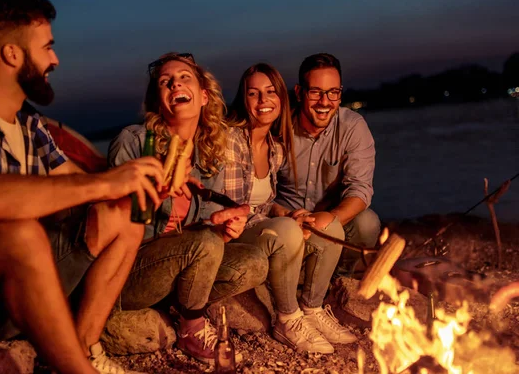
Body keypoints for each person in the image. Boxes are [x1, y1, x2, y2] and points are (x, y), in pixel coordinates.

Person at [0, 0, 158, 374]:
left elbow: (73, 181)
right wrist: (105, 183)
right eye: (47, 47)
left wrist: (133, 184)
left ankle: (82, 346)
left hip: (10, 297)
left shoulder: (28, 122)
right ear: (12, 54)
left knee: (123, 214)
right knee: (18, 234)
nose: (55, 59)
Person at [108, 53, 268, 365]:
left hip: (179, 262)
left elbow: (202, 233)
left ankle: (181, 306)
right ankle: (191, 325)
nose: (175, 84)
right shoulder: (137, 142)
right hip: (130, 268)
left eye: (184, 78)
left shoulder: (210, 153)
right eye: (165, 82)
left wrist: (221, 228)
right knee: (205, 245)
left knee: (253, 260)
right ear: (159, 100)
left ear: (204, 96)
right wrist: (158, 190)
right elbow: (110, 220)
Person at [224, 63, 356, 355]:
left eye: (270, 92)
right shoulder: (232, 140)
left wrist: (288, 214)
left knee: (326, 225)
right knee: (287, 231)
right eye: (254, 93)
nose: (263, 101)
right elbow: (234, 210)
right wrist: (283, 225)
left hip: (255, 225)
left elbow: (265, 202)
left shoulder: (274, 147)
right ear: (243, 99)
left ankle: (312, 308)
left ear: (282, 98)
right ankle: (287, 319)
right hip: (229, 236)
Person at [272, 52, 381, 339]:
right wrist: (285, 215)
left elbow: (360, 190)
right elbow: (257, 189)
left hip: (329, 216)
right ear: (299, 92)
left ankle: (337, 283)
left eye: (333, 92)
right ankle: (295, 302)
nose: (325, 102)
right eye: (316, 92)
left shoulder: (353, 126)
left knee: (368, 223)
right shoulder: (277, 127)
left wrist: (328, 219)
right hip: (286, 218)